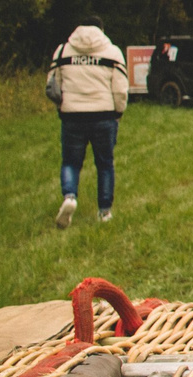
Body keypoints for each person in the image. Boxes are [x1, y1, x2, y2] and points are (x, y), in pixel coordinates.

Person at [46, 23, 130, 228]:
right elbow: (120, 90)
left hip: (72, 116)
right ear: (102, 29)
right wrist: (118, 113)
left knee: (71, 163)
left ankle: (70, 196)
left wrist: (62, 106)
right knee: (104, 164)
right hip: (104, 116)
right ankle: (104, 212)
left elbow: (52, 84)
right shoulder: (112, 52)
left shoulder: (63, 51)